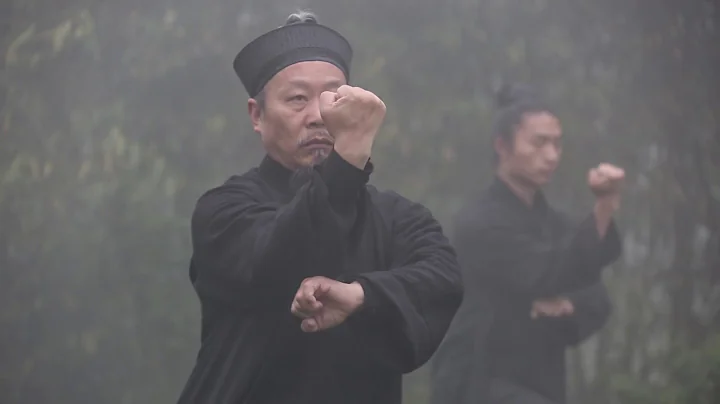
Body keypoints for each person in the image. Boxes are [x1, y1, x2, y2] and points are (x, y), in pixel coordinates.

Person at [176, 11, 464, 404]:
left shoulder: (398, 218)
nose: (319, 116)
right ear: (256, 115)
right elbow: (279, 257)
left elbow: (442, 279)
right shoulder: (225, 211)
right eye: (297, 99)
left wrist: (363, 295)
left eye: (333, 98)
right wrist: (348, 156)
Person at [429, 83, 624, 404]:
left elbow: (596, 297)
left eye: (557, 145)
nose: (551, 155)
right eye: (539, 143)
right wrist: (604, 206)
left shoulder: (556, 224)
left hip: (541, 381)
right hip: (479, 382)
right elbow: (550, 271)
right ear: (502, 146)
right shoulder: (479, 223)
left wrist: (568, 305)